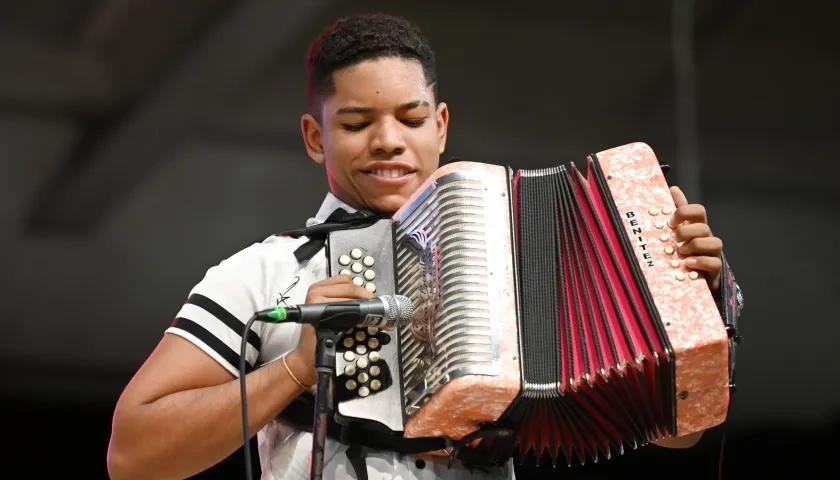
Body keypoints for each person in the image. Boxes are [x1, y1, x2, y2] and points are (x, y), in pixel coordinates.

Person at [106, 12, 743, 480]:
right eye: (356, 124)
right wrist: (298, 369)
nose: (388, 141)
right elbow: (133, 452)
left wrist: (689, 313)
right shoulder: (266, 273)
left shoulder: (523, 263)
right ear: (313, 137)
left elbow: (680, 437)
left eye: (411, 120)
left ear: (440, 127)